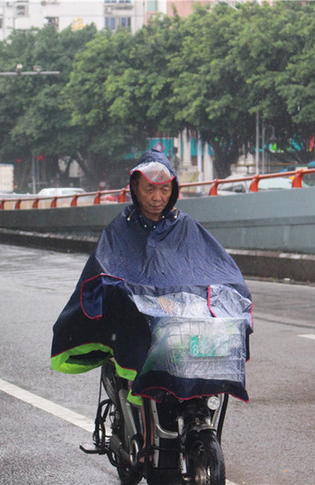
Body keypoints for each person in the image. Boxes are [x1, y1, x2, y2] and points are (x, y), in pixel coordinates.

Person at [50, 149, 252, 402]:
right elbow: (105, 267)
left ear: (174, 189)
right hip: (141, 318)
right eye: (150, 190)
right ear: (135, 187)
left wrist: (234, 290)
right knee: (134, 325)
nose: (158, 198)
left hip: (180, 320)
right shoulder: (121, 228)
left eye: (165, 190)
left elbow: (214, 265)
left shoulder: (185, 225)